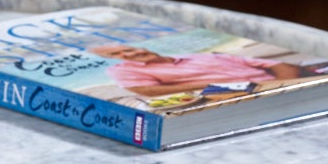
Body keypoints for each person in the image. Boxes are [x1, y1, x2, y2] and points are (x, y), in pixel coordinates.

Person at [87, 42, 305, 101]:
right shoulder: (123, 70)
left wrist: (282, 85)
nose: (128, 54)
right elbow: (148, 91)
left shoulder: (198, 56)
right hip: (235, 94)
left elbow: (276, 65)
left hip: (283, 84)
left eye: (128, 49)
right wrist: (216, 86)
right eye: (116, 54)